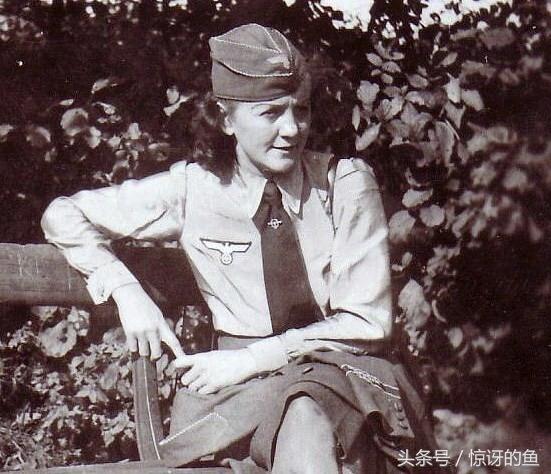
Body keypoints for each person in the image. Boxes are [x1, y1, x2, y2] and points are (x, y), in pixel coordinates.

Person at [42, 23, 435, 474]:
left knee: (306, 411)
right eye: (271, 113)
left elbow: (367, 323)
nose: (292, 130)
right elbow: (63, 214)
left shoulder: (344, 185)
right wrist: (127, 292)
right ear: (226, 118)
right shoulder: (193, 190)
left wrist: (250, 360)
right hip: (236, 394)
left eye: (301, 110)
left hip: (339, 372)